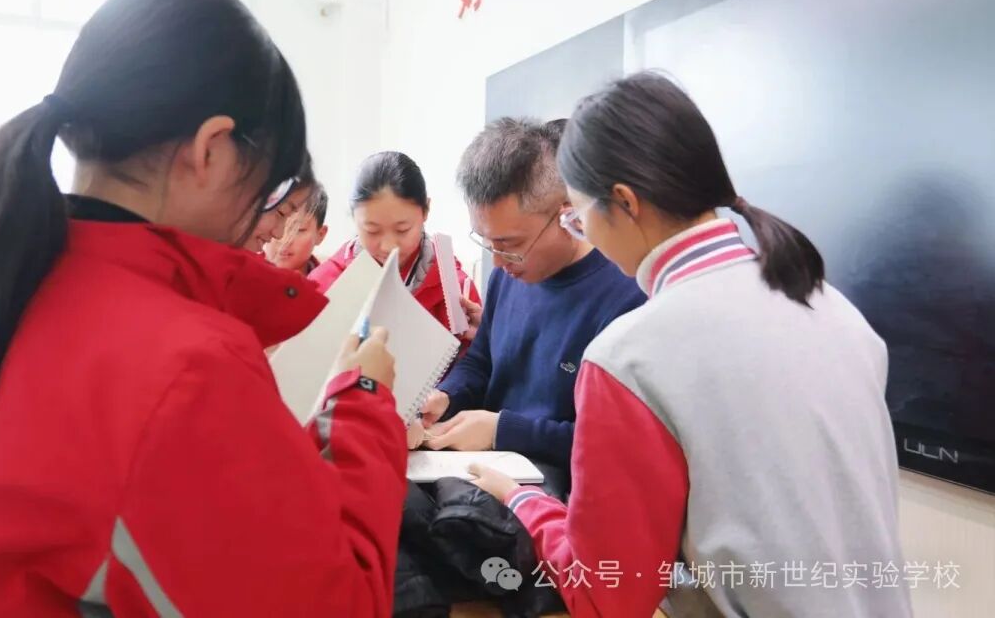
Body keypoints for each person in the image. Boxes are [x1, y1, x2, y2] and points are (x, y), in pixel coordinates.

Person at [0, 0, 408, 617]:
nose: (264, 222)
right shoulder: (185, 367)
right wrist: (364, 400)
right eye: (267, 188)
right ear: (211, 150)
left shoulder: (21, 284)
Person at [469, 72, 910, 617]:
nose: (581, 233)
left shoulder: (630, 356)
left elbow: (608, 596)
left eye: (577, 217)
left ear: (624, 203)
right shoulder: (834, 308)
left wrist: (524, 499)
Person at [420, 118, 646, 472]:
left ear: (569, 218)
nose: (498, 261)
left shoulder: (628, 298)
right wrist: (447, 396)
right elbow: (482, 361)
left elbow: (614, 443)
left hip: (550, 485)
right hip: (483, 468)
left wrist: (503, 431)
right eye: (486, 241)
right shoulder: (508, 273)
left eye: (510, 244)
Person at [310, 151, 480, 351]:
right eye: (372, 230)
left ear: (426, 210)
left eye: (402, 230)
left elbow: (476, 361)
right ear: (354, 217)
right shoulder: (324, 285)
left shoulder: (456, 290)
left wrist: (481, 338)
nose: (388, 246)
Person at [263, 183, 329, 275]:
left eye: (299, 230)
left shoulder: (331, 281)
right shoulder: (244, 274)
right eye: (276, 225)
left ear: (320, 235)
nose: (284, 238)